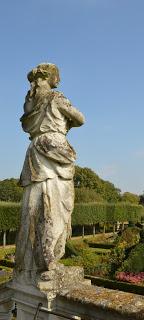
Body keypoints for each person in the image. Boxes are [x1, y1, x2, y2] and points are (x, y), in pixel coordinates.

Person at [15, 63, 85, 279]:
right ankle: (49, 259)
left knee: (35, 204)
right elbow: (81, 119)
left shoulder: (30, 104)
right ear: (49, 76)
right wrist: (67, 124)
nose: (60, 80)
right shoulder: (56, 97)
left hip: (35, 150)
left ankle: (30, 262)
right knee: (56, 203)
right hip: (55, 144)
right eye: (58, 76)